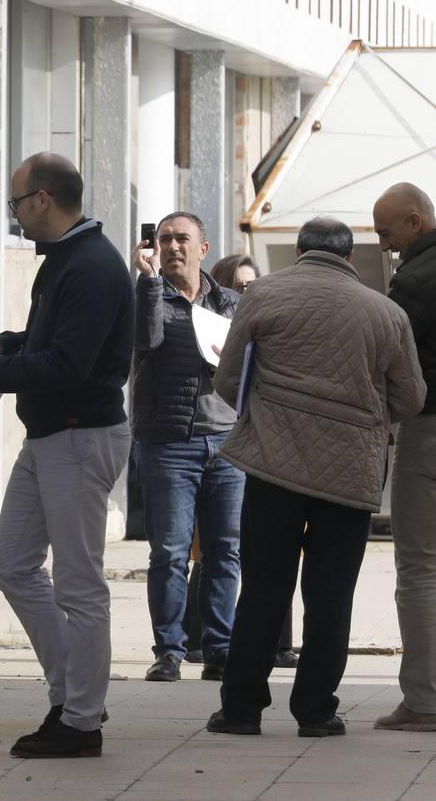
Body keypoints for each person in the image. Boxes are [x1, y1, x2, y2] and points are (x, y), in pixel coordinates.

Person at [0, 152, 133, 758]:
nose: (16, 214)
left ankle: (81, 723)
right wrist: (2, 343)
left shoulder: (91, 266)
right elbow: (57, 343)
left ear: (43, 200)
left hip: (79, 436)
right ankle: (71, 697)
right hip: (51, 435)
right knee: (13, 565)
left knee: (79, 585)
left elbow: (71, 365)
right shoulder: (67, 261)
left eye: (17, 202)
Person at [207, 217, 426, 738]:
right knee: (330, 593)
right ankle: (316, 711)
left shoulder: (260, 296)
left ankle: (240, 709)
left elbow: (228, 379)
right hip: (350, 474)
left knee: (262, 585)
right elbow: (412, 398)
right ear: (349, 259)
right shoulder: (386, 312)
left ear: (302, 252)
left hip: (273, 466)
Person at [130, 213, 243, 684]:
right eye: (165, 239)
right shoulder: (146, 296)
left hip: (228, 443)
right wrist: (149, 282)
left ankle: (219, 650)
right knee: (171, 552)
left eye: (183, 239)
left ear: (204, 248)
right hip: (167, 443)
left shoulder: (231, 303)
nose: (173, 246)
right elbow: (145, 339)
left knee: (224, 551)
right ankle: (170, 652)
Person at [181, 255, 299, 671]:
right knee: (214, 550)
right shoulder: (207, 322)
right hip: (221, 442)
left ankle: (278, 644)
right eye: (241, 286)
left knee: (266, 550)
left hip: (264, 446)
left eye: (254, 286)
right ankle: (199, 637)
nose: (248, 294)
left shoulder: (270, 327)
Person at [372, 183, 436, 731]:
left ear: (416, 222)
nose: (384, 244)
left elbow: (394, 366)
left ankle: (424, 702)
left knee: (420, 568)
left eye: (387, 232)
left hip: (429, 430)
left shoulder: (413, 282)